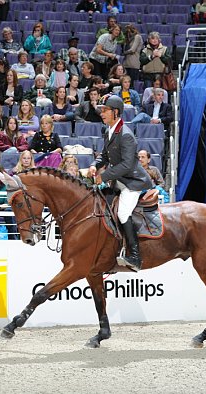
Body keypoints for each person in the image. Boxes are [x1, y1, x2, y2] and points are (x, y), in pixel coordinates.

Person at [88, 95, 153, 271]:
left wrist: (104, 176)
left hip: (133, 182)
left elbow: (127, 164)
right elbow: (104, 155)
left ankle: (135, 256)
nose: (102, 113)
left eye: (105, 110)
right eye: (102, 110)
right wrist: (95, 165)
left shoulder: (126, 135)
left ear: (115, 112)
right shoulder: (108, 130)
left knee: (123, 213)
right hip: (120, 181)